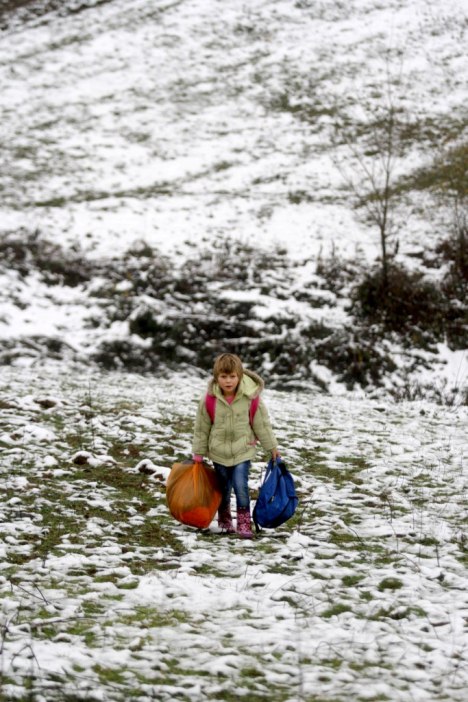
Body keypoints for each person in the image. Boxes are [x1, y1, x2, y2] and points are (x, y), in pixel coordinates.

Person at [192, 353, 280, 539]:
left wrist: (272, 447)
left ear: (239, 376)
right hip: (218, 451)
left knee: (241, 486)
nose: (228, 381)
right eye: (223, 377)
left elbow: (262, 425)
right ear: (216, 377)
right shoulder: (209, 400)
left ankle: (244, 523)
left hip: (243, 450)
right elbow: (201, 428)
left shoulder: (251, 398)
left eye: (232, 376)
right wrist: (198, 453)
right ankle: (224, 519)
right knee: (224, 488)